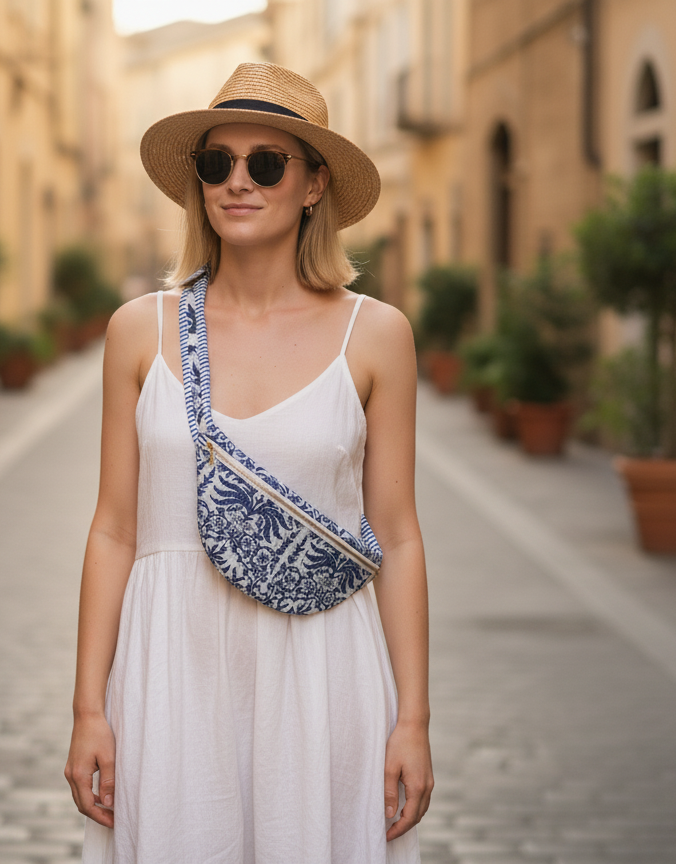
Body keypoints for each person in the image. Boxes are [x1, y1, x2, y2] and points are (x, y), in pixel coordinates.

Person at [65, 63, 433, 863]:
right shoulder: (140, 330)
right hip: (172, 668)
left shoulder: (375, 336)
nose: (237, 181)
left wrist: (413, 720)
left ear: (313, 186)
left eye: (266, 162)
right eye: (215, 163)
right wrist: (88, 708)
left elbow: (398, 536)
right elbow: (114, 530)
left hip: (320, 670)